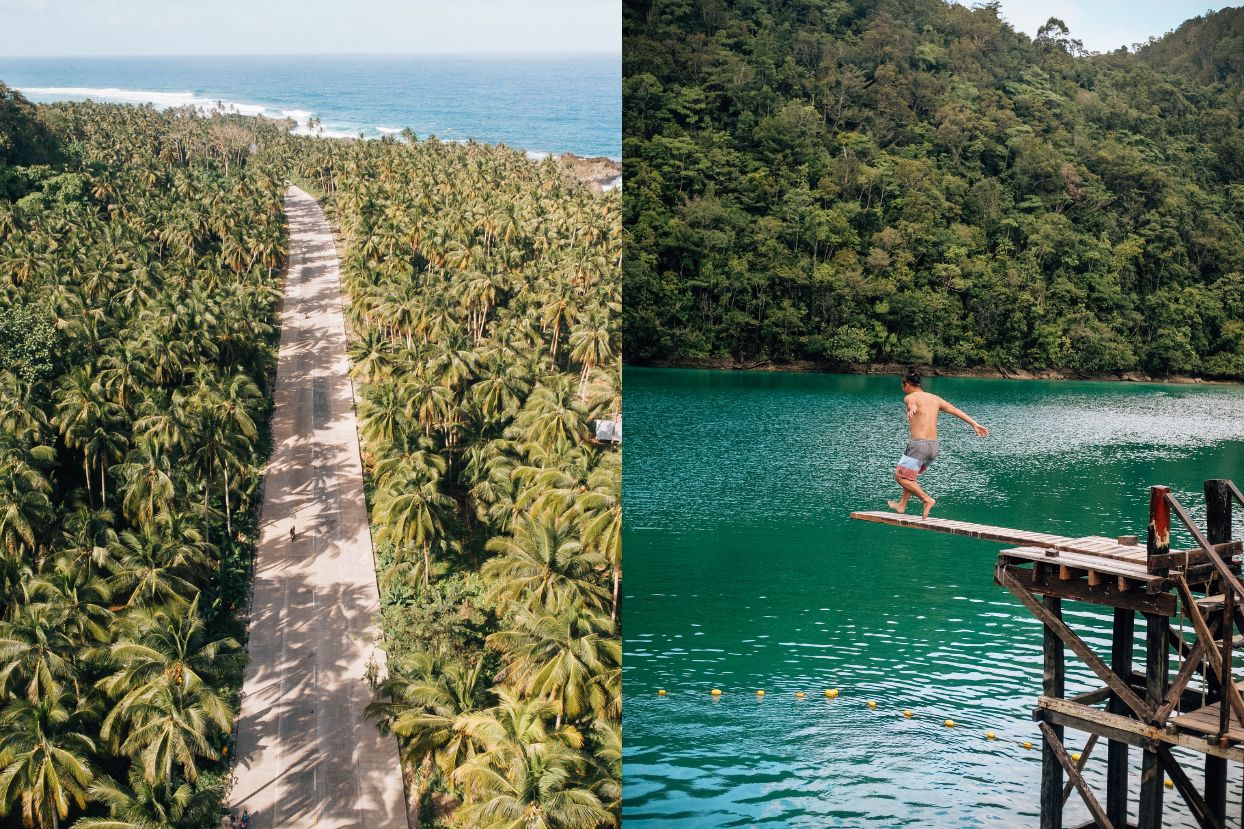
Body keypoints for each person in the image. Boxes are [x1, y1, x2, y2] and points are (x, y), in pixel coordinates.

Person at [888, 367, 988, 519]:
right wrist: (974, 424)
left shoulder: (910, 397)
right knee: (910, 476)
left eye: (902, 385)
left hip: (918, 446)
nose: (902, 389)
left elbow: (912, 402)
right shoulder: (935, 398)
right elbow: (954, 409)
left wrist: (912, 408)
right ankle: (902, 505)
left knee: (901, 477)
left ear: (906, 384)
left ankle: (927, 500)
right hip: (934, 447)